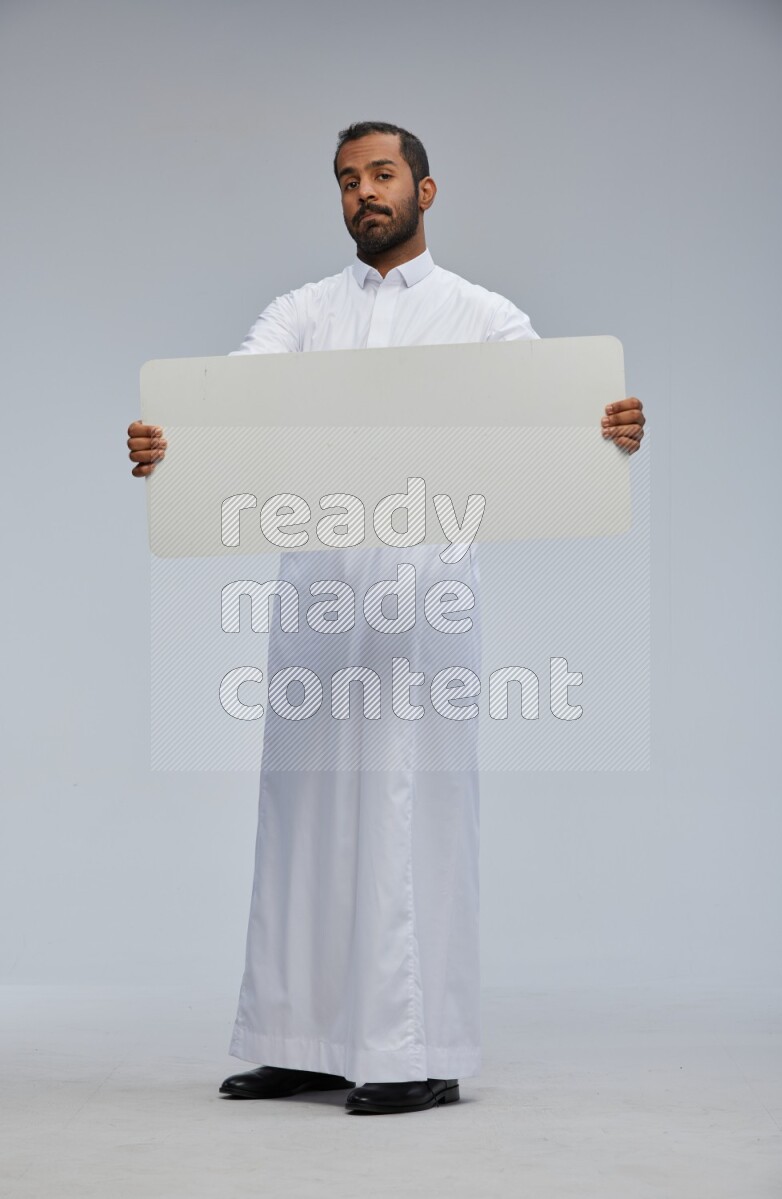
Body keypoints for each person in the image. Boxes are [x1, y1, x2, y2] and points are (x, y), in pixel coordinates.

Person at [127, 121, 645, 1116]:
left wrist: (608, 426)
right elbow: (230, 400)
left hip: (421, 597)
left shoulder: (479, 315)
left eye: (380, 174)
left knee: (408, 815)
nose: (362, 192)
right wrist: (171, 440)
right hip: (318, 596)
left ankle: (415, 1048)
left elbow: (556, 410)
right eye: (344, 180)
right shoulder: (304, 312)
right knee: (301, 814)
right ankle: (299, 1037)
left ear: (425, 189)